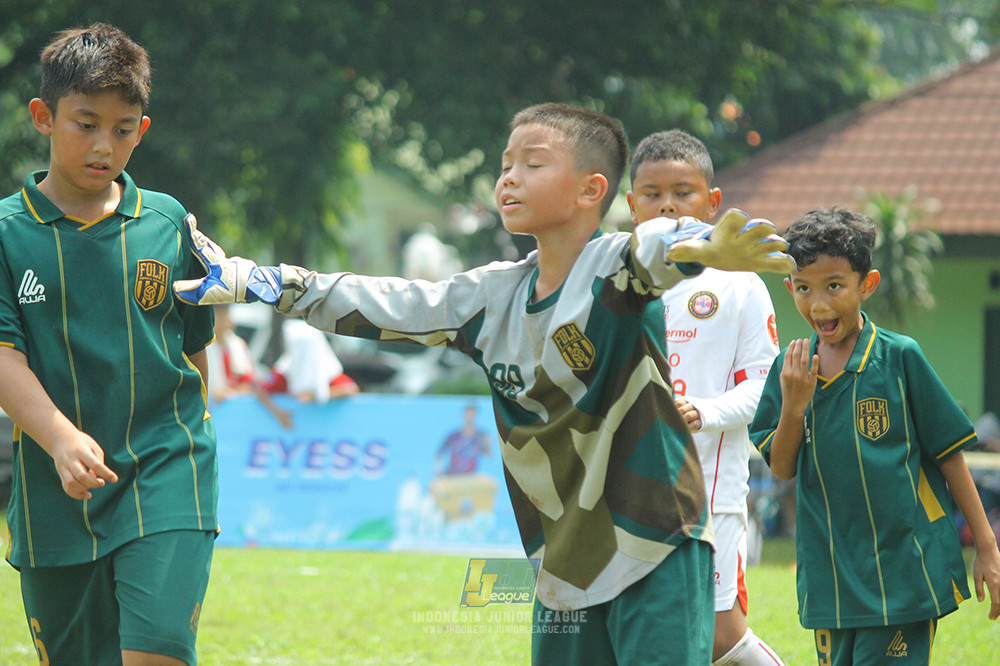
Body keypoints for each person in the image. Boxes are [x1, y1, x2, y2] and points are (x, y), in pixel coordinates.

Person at [174, 102, 795, 664]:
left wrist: (704, 244)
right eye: (505, 164)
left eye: (532, 163)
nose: (509, 178)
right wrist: (254, 280)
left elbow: (657, 245)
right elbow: (385, 300)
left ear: (591, 190)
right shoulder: (489, 296)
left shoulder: (614, 268)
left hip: (655, 544)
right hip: (563, 567)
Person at [0, 24, 218, 666]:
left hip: (167, 467)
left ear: (142, 130)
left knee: (155, 655)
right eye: (86, 123)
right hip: (55, 490)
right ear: (44, 116)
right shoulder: (8, 234)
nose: (104, 146)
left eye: (123, 129)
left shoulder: (168, 223)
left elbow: (195, 350)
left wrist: (195, 438)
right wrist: (63, 441)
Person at [749, 207, 1000, 665]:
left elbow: (950, 457)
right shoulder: (791, 371)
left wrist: (986, 547)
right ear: (789, 289)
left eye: (834, 286)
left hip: (902, 573)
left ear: (867, 284)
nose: (818, 304)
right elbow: (781, 466)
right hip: (830, 583)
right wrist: (794, 405)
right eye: (803, 288)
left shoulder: (900, 359)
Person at [628, 129, 785, 666]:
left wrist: (704, 411)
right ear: (630, 205)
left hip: (710, 495)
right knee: (646, 634)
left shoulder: (739, 282)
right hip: (624, 495)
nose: (667, 204)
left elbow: (765, 389)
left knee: (719, 637)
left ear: (713, 202)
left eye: (683, 191)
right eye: (651, 193)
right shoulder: (613, 280)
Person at [206, 304, 294, 429]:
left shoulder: (237, 345)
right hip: (209, 410)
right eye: (218, 317)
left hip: (234, 414)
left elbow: (250, 384)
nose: (222, 322)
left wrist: (232, 391)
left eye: (224, 316)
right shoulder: (200, 347)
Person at [259, 318, 360, 402]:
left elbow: (350, 389)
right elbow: (264, 390)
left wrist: (318, 395)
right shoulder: (285, 369)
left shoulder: (327, 370)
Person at [435, 403, 492, 475]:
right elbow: (438, 455)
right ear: (463, 415)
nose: (470, 417)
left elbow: (488, 455)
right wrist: (438, 470)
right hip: (452, 475)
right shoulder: (454, 436)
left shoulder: (481, 436)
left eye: (472, 415)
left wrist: (488, 443)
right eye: (468, 414)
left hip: (470, 476)